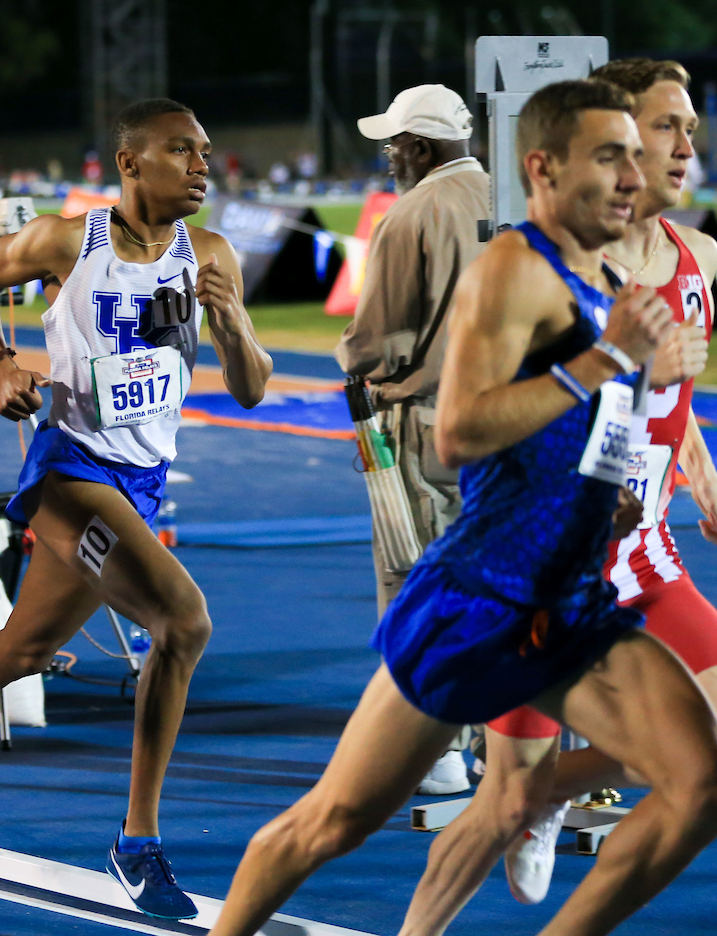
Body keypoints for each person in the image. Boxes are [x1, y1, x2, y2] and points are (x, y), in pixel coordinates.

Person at [207, 79, 717, 936]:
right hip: (482, 601)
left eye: (637, 154)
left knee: (697, 781)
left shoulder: (606, 282)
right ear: (543, 170)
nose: (634, 174)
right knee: (331, 822)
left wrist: (634, 464)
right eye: (610, 156)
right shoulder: (517, 268)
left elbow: (594, 441)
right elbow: (461, 433)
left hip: (574, 605)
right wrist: (606, 365)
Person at [0, 97, 273, 921]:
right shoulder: (71, 241)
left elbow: (250, 388)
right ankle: (136, 842)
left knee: (23, 649)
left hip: (139, 483)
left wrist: (232, 319)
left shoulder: (209, 254)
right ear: (131, 162)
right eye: (184, 151)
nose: (205, 166)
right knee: (184, 622)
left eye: (208, 152)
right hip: (69, 473)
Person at [398, 58, 717, 936]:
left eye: (691, 127)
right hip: (544, 575)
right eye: (666, 127)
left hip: (647, 559)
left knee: (704, 758)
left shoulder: (701, 259)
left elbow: (665, 396)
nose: (688, 145)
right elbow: (480, 419)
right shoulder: (550, 267)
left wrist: (701, 468)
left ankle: (550, 799)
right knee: (494, 803)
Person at [337, 84, 491, 795]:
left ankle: (435, 752)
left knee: (416, 581)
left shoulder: (414, 215)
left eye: (394, 143)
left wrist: (357, 365)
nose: (389, 156)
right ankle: (505, 736)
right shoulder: (514, 201)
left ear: (420, 147)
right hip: (512, 424)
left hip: (426, 424)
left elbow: (375, 343)